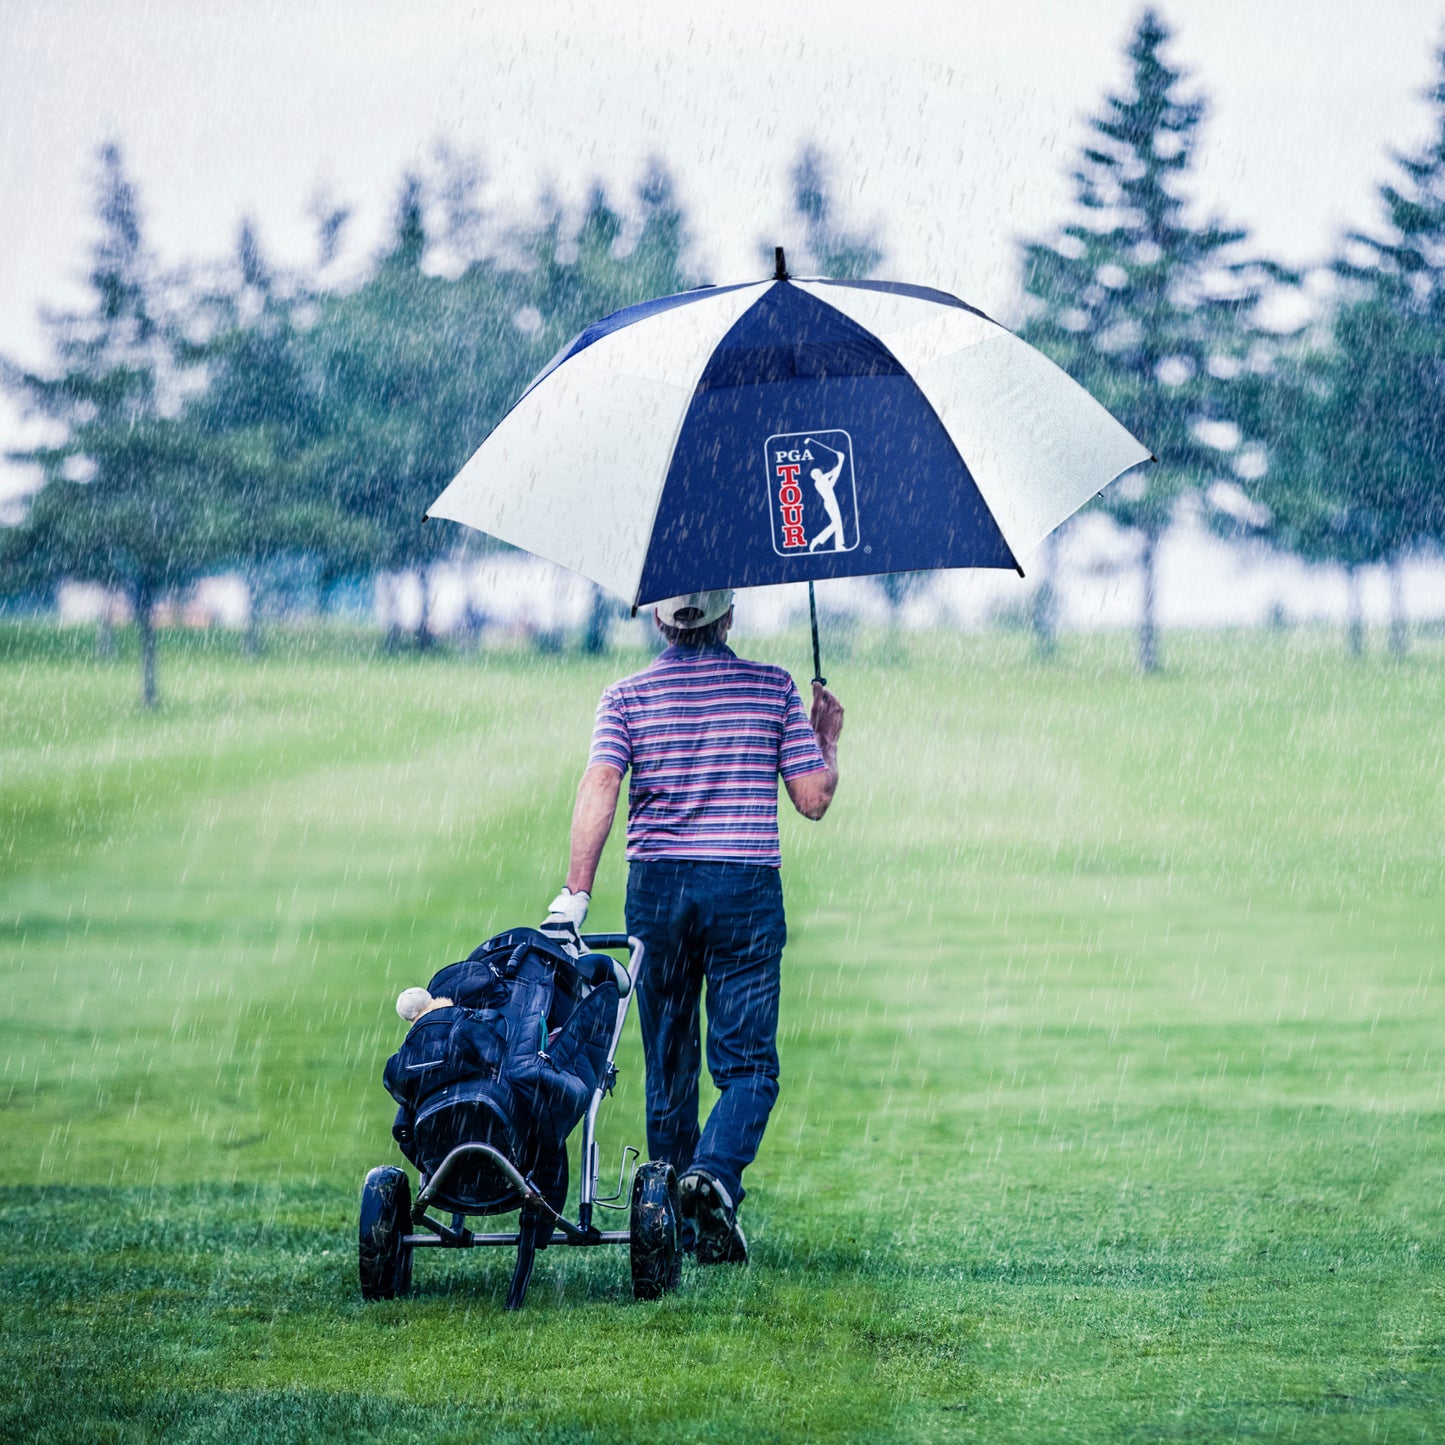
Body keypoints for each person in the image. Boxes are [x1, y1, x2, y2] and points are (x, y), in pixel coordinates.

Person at [542, 588, 843, 1263]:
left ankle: (669, 1212)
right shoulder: (773, 687)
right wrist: (825, 735)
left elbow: (599, 785)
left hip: (659, 890)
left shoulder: (624, 696)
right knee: (748, 1067)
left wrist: (576, 893)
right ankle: (714, 1173)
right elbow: (812, 798)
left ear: (658, 616)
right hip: (744, 888)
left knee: (668, 1061)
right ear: (728, 615)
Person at [805, 438, 848, 553]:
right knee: (836, 524)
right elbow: (834, 473)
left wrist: (840, 461)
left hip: (831, 502)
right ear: (816, 476)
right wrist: (841, 460)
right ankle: (818, 540)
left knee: (837, 524)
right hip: (830, 503)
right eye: (817, 472)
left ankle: (838, 545)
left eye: (819, 471)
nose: (820, 472)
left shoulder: (822, 481)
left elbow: (834, 476)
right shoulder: (820, 481)